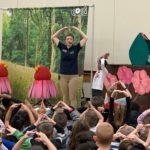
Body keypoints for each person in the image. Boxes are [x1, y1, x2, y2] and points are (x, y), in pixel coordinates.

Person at [51, 26, 88, 107]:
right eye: (67, 39)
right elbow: (53, 37)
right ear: (65, 40)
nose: (69, 40)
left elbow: (86, 38)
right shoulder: (62, 47)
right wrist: (62, 29)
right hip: (63, 76)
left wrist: (76, 29)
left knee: (72, 97)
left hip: (73, 76)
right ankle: (66, 113)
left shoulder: (76, 48)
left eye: (71, 39)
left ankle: (73, 114)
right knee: (65, 97)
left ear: (73, 40)